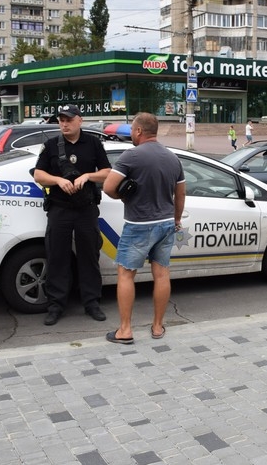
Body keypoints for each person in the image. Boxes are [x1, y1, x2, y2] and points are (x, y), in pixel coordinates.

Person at [102, 112, 186, 344]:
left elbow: (108, 187)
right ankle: (158, 327)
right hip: (166, 223)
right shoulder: (172, 158)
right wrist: (176, 219)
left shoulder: (132, 156)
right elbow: (180, 194)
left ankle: (125, 330)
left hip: (139, 224)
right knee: (161, 274)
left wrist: (123, 197)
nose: (131, 133)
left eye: (132, 129)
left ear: (139, 131)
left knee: (126, 275)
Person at [33, 105, 112, 326]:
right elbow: (38, 174)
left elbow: (107, 172)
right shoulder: (50, 145)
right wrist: (58, 180)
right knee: (57, 257)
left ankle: (91, 303)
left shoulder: (94, 143)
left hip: (86, 209)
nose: (64, 124)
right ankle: (56, 304)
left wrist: (87, 176)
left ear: (80, 120)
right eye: (61, 120)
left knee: (89, 256)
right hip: (60, 208)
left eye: (68, 120)